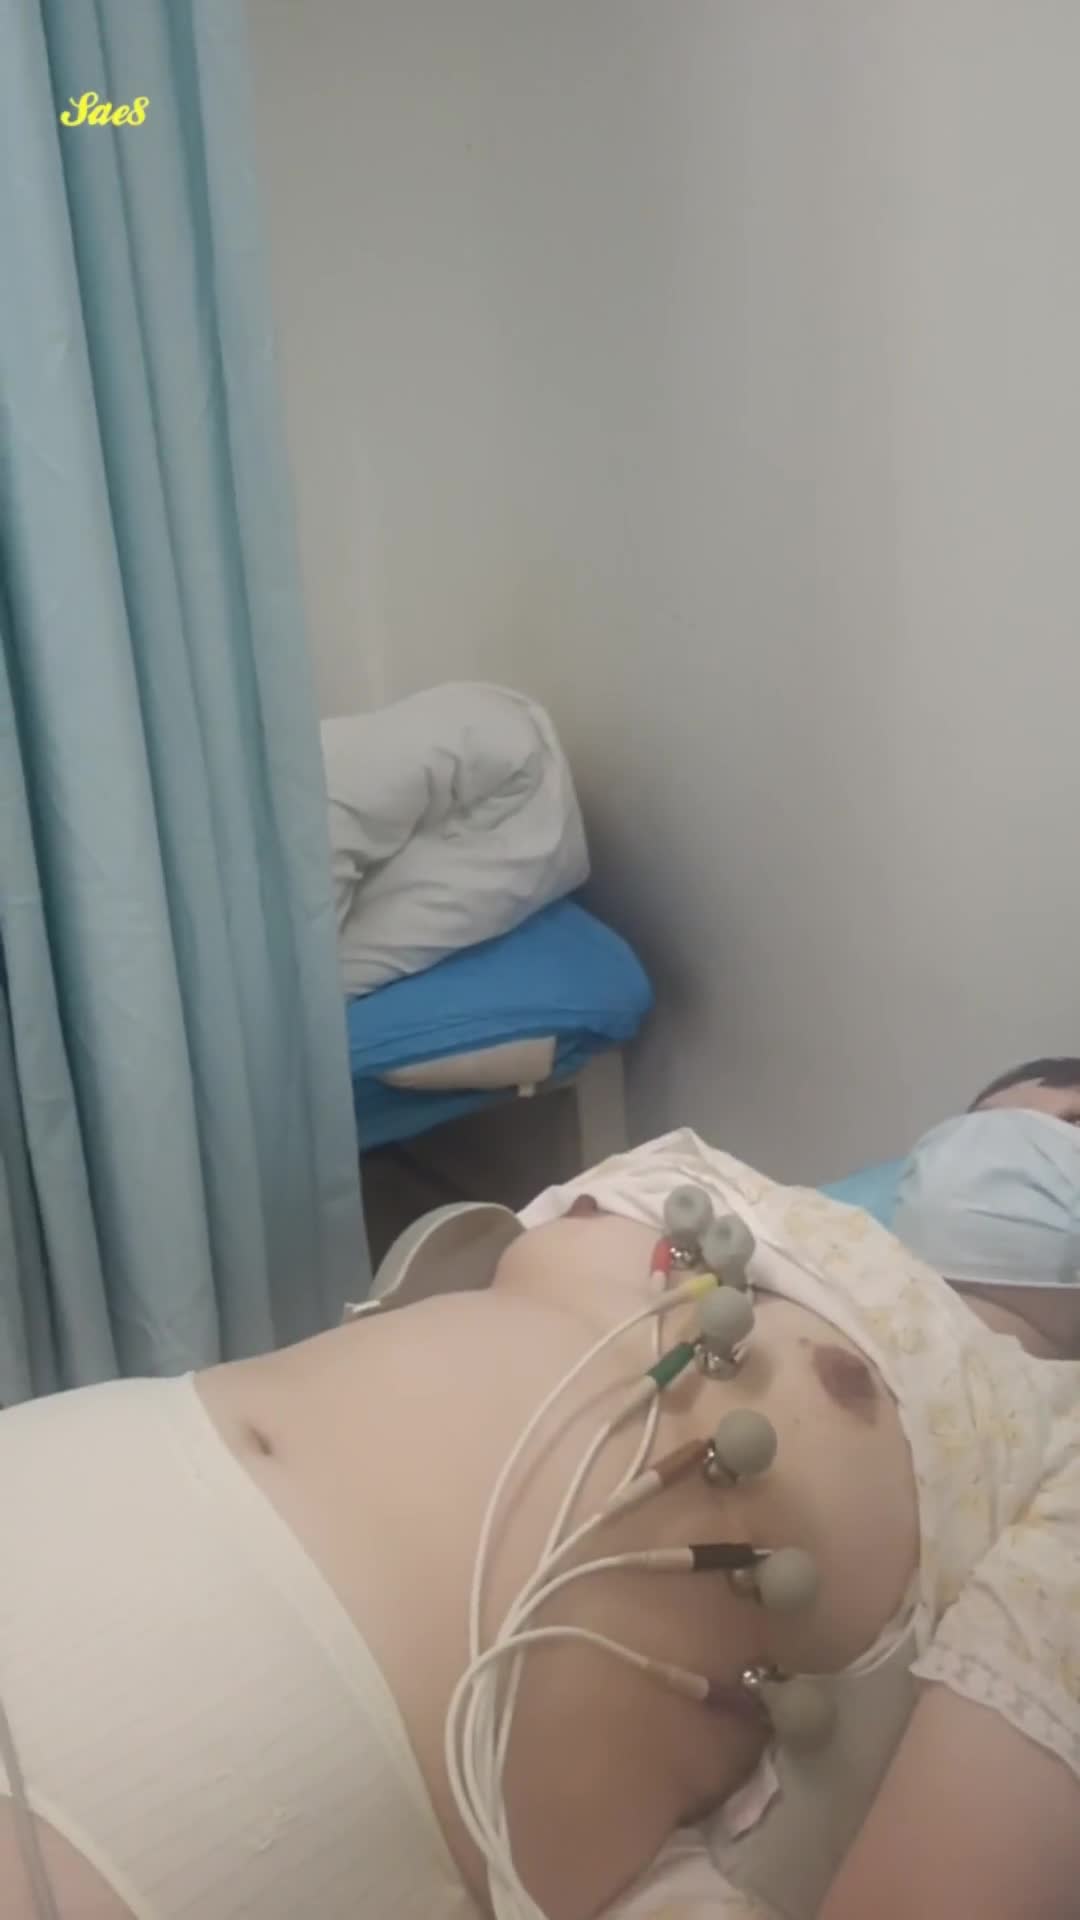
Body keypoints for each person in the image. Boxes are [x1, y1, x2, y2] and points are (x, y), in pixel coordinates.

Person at [2, 1114, 1080, 1920]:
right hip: (85, 1473)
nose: (1050, 1144)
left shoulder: (1055, 1445)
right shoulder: (702, 1173)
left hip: (258, 1750)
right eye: (1055, 1108)